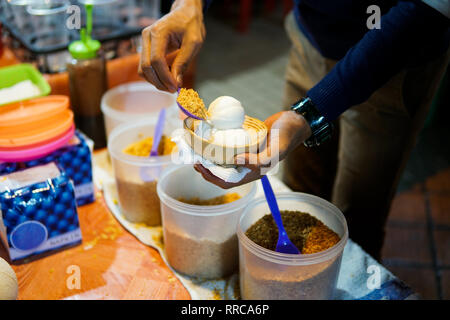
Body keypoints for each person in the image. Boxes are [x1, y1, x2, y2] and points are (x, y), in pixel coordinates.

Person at [139, 0, 449, 260]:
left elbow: (422, 10)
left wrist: (310, 113)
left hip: (391, 61)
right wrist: (188, 4)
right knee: (301, 191)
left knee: (357, 220)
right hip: (311, 34)